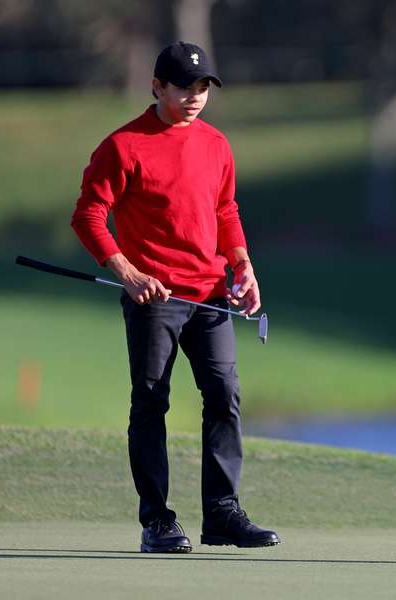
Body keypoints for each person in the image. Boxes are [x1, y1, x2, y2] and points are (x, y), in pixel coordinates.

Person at [71, 41, 279, 553]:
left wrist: (242, 265)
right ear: (157, 86)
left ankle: (223, 514)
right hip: (154, 297)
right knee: (151, 403)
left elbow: (225, 210)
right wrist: (127, 271)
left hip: (210, 294)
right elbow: (88, 216)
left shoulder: (216, 144)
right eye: (184, 87)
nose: (195, 96)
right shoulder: (123, 146)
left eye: (203, 87)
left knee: (224, 396)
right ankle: (157, 521)